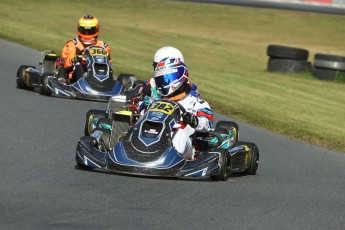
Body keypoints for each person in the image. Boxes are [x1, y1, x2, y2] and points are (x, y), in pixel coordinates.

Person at [147, 57, 214, 160]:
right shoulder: (157, 101)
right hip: (156, 138)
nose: (163, 83)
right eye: (160, 80)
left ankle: (169, 159)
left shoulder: (196, 103)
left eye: (166, 79)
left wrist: (194, 121)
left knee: (179, 133)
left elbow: (207, 124)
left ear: (179, 76)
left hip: (186, 144)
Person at [58, 15, 111, 84]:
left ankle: (106, 83)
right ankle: (82, 81)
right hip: (73, 77)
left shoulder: (104, 47)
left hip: (97, 73)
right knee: (78, 65)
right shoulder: (72, 45)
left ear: (97, 30)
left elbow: (109, 65)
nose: (87, 34)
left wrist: (107, 58)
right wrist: (75, 59)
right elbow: (65, 64)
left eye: (90, 31)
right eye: (84, 31)